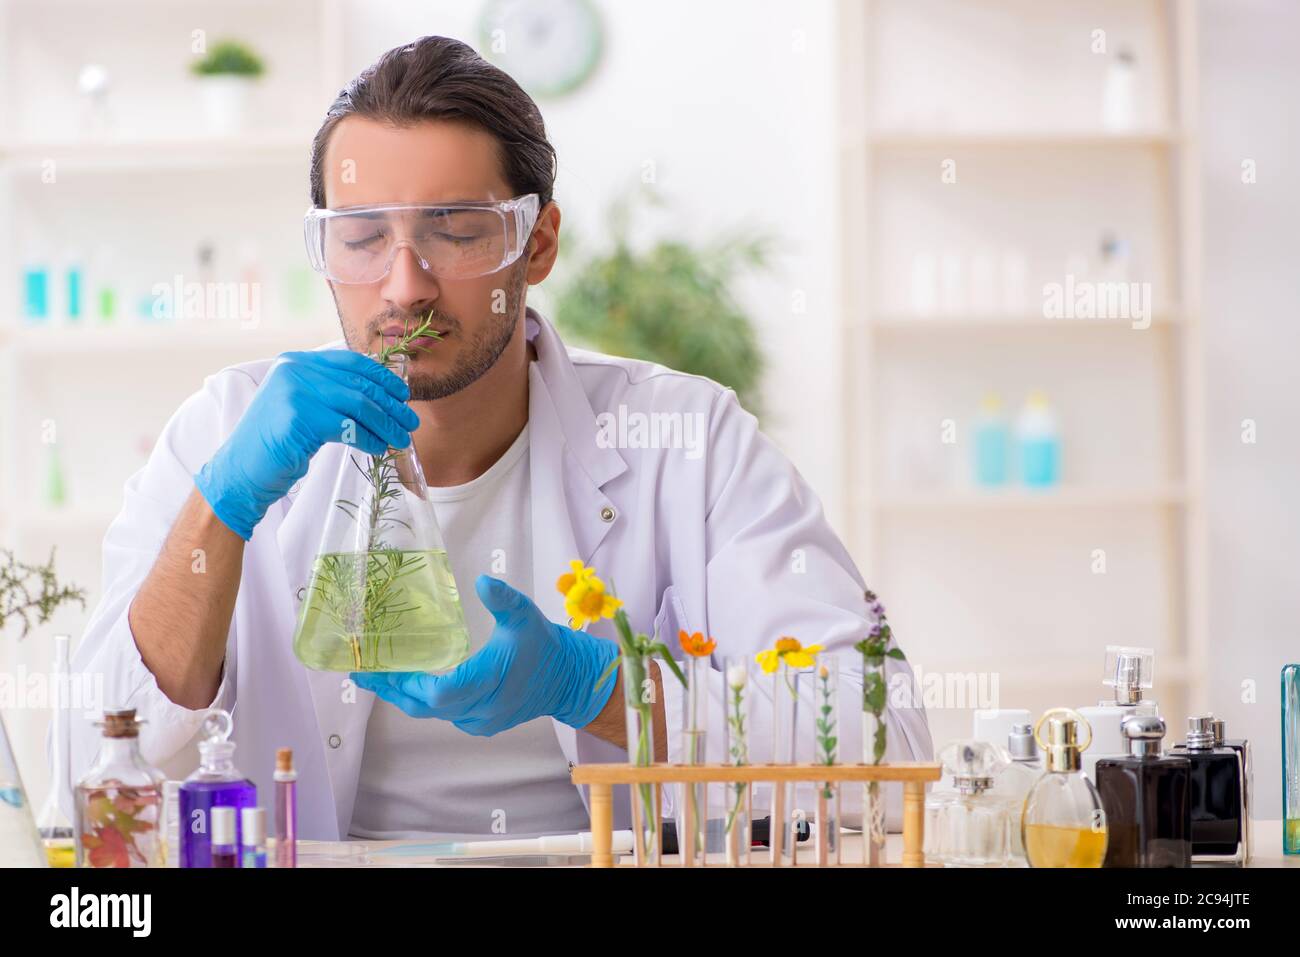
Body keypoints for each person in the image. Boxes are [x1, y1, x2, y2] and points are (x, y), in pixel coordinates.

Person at [63, 35, 931, 841]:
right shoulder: (226, 428)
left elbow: (887, 746)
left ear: (537, 243)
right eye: (362, 237)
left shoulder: (686, 441)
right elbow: (83, 762)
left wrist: (600, 688)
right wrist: (223, 503)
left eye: (456, 232)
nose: (405, 286)